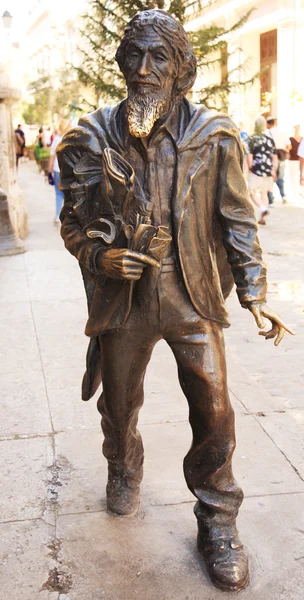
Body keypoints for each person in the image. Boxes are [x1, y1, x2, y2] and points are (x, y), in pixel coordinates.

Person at [57, 10, 293, 593]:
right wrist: (98, 257)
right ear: (121, 65)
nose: (143, 71)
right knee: (119, 404)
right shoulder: (90, 137)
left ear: (181, 69)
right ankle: (122, 462)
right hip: (124, 299)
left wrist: (256, 291)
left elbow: (238, 219)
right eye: (134, 57)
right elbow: (73, 223)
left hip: (192, 293)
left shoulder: (214, 135)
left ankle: (217, 521)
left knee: (214, 409)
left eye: (158, 58)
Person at [247, 116, 277, 224]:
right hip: (268, 169)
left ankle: (263, 209)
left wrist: (250, 167)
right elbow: (274, 156)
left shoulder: (252, 138)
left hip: (256, 169)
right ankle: (263, 218)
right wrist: (274, 169)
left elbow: (249, 155)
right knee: (264, 193)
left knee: (252, 192)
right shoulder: (270, 139)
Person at [48, 123, 70, 223]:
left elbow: (52, 157)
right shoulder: (70, 139)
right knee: (68, 194)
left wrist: (49, 170)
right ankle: (67, 216)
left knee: (58, 193)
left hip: (57, 170)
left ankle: (57, 215)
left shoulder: (56, 140)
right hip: (68, 171)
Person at [266, 117, 289, 204]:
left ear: (268, 124)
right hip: (281, 157)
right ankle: (283, 195)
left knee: (270, 177)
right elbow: (288, 146)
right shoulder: (283, 132)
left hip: (271, 157)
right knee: (280, 177)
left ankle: (271, 199)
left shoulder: (268, 133)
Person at [288, 125, 303, 201]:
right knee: (292, 177)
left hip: (299, 160)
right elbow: (288, 148)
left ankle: (299, 191)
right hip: (292, 160)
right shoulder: (290, 139)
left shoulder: (302, 139)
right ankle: (294, 193)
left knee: (299, 176)